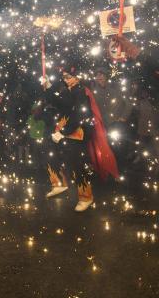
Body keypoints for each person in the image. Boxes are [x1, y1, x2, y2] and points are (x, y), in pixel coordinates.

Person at [41, 62, 118, 212]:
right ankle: (59, 184)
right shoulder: (67, 90)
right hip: (63, 129)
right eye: (64, 77)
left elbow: (80, 115)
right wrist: (49, 87)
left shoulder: (81, 92)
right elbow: (58, 103)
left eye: (69, 76)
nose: (66, 79)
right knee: (48, 153)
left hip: (78, 132)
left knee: (76, 165)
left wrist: (63, 132)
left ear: (77, 77)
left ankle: (86, 197)